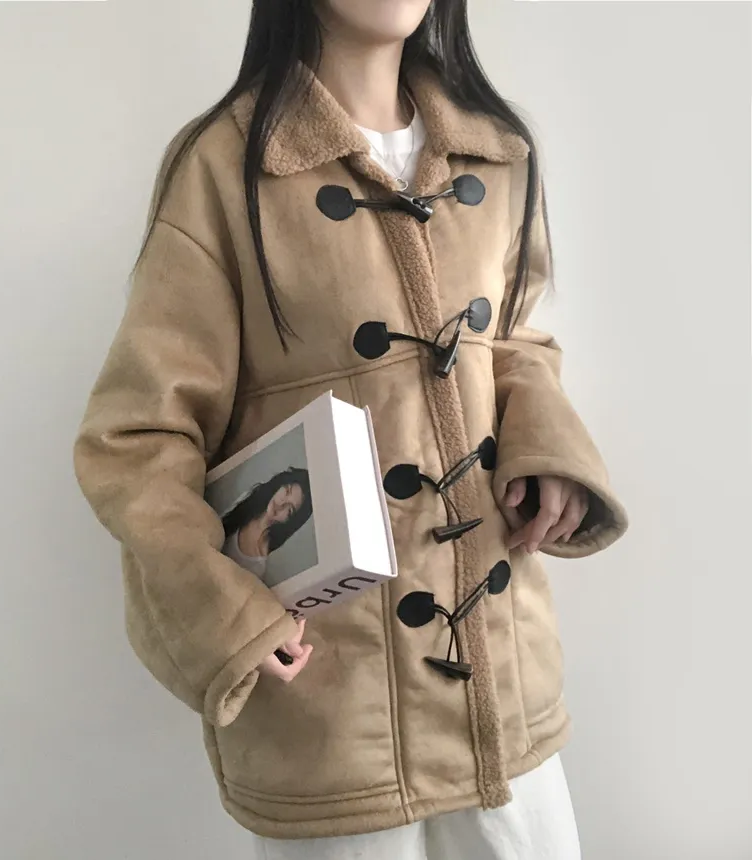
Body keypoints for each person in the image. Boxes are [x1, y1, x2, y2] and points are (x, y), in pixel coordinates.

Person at [73, 1, 629, 858]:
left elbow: (514, 341)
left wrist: (546, 451)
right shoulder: (225, 166)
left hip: (504, 683)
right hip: (336, 704)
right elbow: (137, 436)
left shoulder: (496, 151)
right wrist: (227, 618)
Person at [220, 468, 313, 581]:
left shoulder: (257, 566)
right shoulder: (249, 499)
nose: (281, 503)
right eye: (287, 491)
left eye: (289, 509)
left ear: (289, 521)